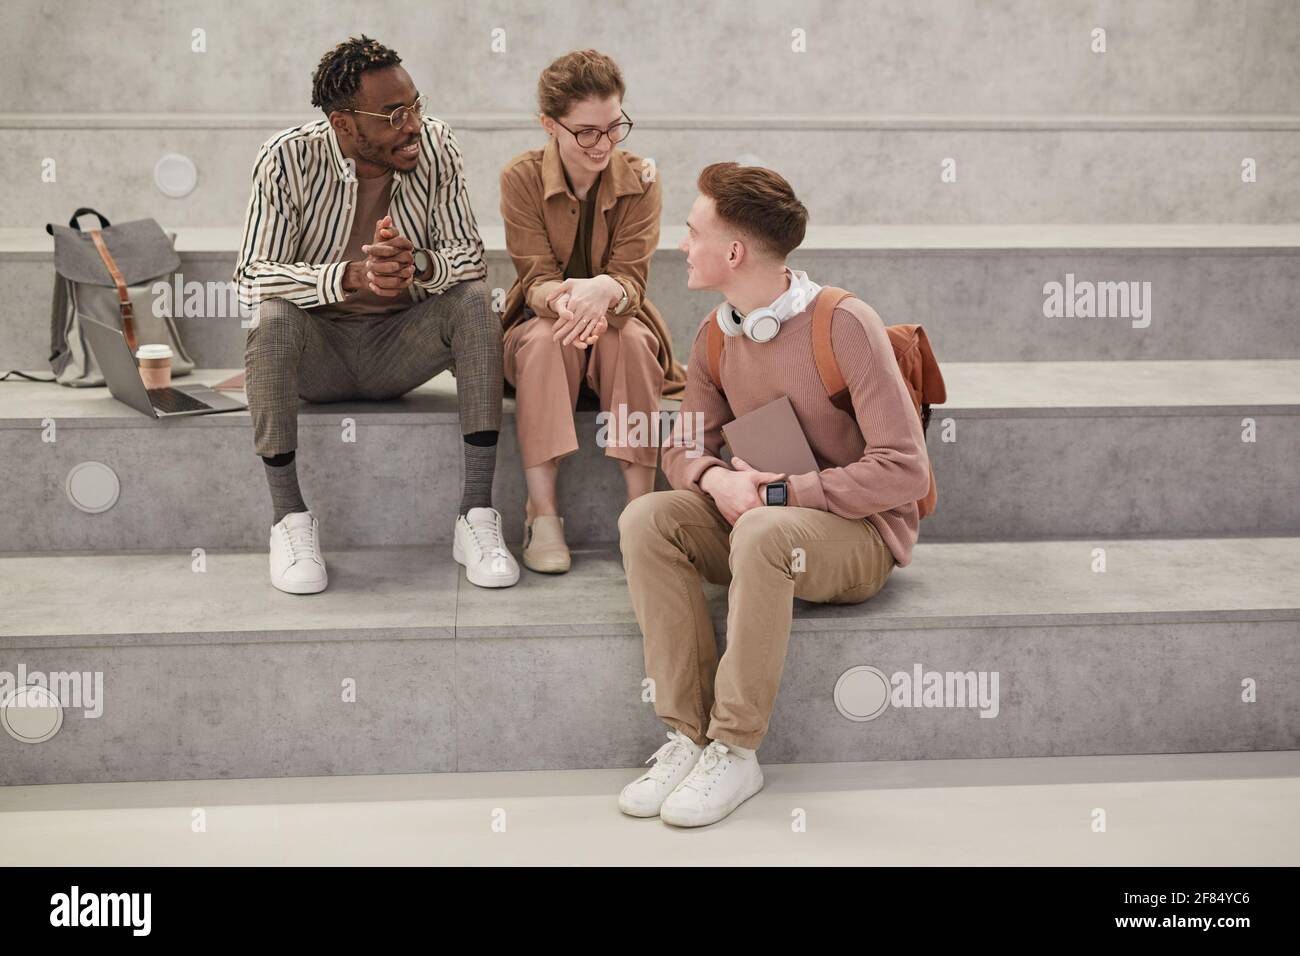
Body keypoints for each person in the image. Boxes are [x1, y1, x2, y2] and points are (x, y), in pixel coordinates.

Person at [617, 163, 932, 826]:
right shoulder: (714, 334)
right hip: (766, 517)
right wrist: (716, 479)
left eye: (692, 231)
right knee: (647, 518)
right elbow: (682, 447)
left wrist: (786, 493)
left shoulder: (843, 324)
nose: (681, 245)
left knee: (761, 529)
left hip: (858, 536)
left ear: (733, 252)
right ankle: (689, 736)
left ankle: (736, 748)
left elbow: (906, 470)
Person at [235, 35, 519, 594]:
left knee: (475, 307)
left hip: (401, 346)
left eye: (415, 105)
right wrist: (347, 277)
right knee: (271, 321)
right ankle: (289, 520)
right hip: (321, 352)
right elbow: (251, 276)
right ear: (344, 125)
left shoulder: (436, 146)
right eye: (393, 114)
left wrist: (416, 267)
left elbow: (469, 257)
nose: (413, 124)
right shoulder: (286, 158)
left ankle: (476, 517)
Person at [498, 49, 686, 573]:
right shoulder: (521, 176)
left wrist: (606, 290)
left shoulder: (641, 179)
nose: (603, 144)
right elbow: (534, 275)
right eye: (586, 131)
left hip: (621, 322)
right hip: (542, 323)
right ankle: (543, 513)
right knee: (543, 340)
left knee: (627, 341)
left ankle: (641, 515)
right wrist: (572, 301)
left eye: (614, 126)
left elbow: (633, 274)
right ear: (548, 125)